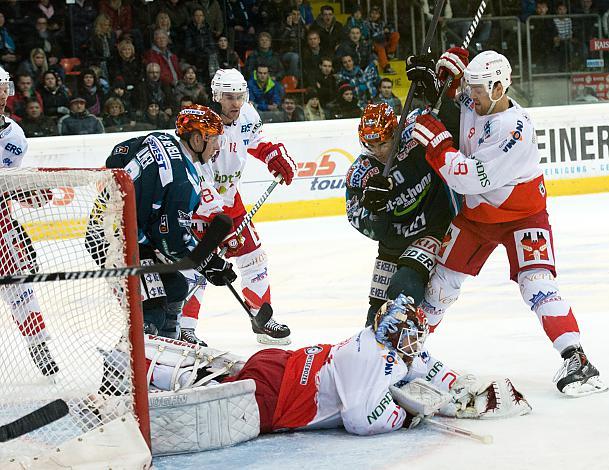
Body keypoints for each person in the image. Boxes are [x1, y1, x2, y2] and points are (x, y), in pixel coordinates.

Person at [409, 48, 608, 397]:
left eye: (479, 88)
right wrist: (445, 73)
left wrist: (439, 146)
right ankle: (406, 352)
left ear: (499, 88)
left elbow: (466, 177)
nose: (471, 96)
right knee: (442, 284)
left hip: (522, 214)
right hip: (477, 215)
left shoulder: (513, 130)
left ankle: (577, 358)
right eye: (471, 87)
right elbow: (456, 94)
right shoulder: (478, 99)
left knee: (537, 283)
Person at [144, 294, 531, 444]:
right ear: (396, 336)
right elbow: (362, 420)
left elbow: (422, 367)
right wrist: (403, 415)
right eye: (412, 335)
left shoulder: (379, 342)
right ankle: (139, 376)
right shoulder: (373, 359)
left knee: (214, 375)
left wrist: (453, 389)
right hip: (277, 398)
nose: (418, 344)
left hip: (282, 365)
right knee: (197, 395)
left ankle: (144, 360)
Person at [94, 104, 237, 338]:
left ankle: (169, 350)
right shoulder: (183, 180)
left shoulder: (159, 138)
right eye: (214, 139)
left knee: (176, 287)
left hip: (119, 228)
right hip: (114, 240)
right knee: (152, 311)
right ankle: (120, 368)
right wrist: (209, 263)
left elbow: (117, 155)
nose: (218, 147)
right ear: (198, 139)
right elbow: (172, 243)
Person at [178, 68, 296, 346]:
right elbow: (195, 172)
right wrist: (218, 220)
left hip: (231, 200)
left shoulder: (248, 115)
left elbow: (254, 140)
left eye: (240, 96)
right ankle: (184, 328)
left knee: (255, 258)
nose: (236, 104)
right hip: (200, 206)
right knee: (198, 268)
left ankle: (262, 318)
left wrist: (273, 154)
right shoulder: (202, 123)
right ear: (217, 96)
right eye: (230, 97)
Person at [345, 99, 460, 327]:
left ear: (395, 132)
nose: (377, 152)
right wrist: (375, 211)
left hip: (430, 227)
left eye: (383, 143)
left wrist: (432, 89)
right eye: (370, 145)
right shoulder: (360, 174)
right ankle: (373, 359)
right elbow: (365, 224)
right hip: (392, 244)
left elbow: (455, 124)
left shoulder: (416, 133)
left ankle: (400, 354)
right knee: (374, 317)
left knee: (403, 292)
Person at [0, 66, 58, 376]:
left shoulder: (15, 135)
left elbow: (10, 182)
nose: (0, 95)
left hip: (1, 222)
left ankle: (38, 344)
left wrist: (29, 192)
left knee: (19, 287)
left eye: (2, 88)